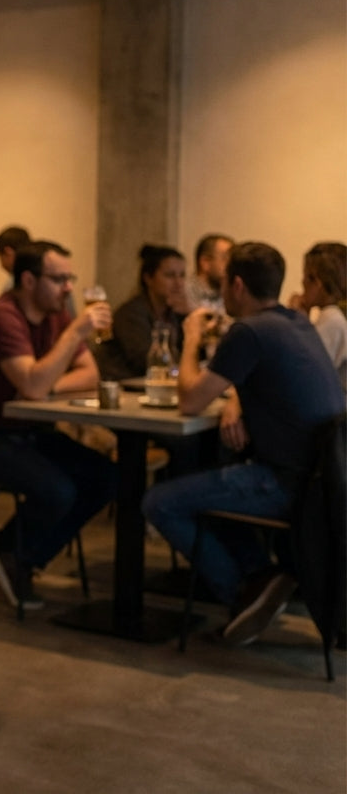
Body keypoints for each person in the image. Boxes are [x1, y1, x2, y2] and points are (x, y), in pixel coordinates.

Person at [143, 242, 345, 646]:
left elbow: (190, 400)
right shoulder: (297, 322)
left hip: (285, 483)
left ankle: (243, 591)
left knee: (158, 502)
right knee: (209, 483)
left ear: (236, 285)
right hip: (324, 482)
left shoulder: (249, 331)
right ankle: (264, 578)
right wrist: (238, 398)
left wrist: (191, 337)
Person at [0, 240, 116, 610]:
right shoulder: (2, 317)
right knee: (58, 490)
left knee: (107, 477)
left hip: (23, 429)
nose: (68, 287)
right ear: (29, 281)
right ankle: (11, 550)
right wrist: (73, 336)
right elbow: (32, 385)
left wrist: (46, 384)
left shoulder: (54, 314)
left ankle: (22, 554)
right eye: (59, 279)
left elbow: (88, 375)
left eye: (70, 278)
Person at [96, 244, 188, 381]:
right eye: (170, 276)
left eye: (182, 275)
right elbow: (147, 361)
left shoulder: (176, 313)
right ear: (148, 278)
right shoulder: (130, 314)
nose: (178, 283)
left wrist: (191, 316)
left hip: (157, 384)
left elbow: (197, 357)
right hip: (124, 385)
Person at [288, 241, 347, 392]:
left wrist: (296, 322)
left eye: (306, 276)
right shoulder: (335, 316)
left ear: (318, 282)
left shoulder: (332, 319)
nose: (302, 282)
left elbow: (304, 373)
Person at [184, 233, 233, 314]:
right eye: (225, 258)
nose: (231, 265)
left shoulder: (229, 293)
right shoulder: (184, 293)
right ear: (205, 262)